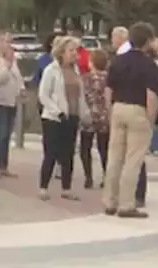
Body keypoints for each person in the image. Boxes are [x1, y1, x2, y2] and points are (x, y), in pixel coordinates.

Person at [102, 22, 158, 219]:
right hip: (138, 109)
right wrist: (150, 119)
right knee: (133, 160)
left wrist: (111, 111)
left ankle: (110, 200)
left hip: (118, 107)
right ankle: (126, 204)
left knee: (115, 157)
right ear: (148, 41)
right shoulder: (149, 65)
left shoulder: (118, 60)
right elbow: (151, 94)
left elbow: (108, 89)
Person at [37, 35, 88, 201]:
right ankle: (43, 187)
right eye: (71, 50)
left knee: (68, 153)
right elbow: (44, 95)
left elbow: (80, 95)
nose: (75, 54)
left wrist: (83, 113)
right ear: (61, 52)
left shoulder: (76, 70)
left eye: (76, 51)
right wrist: (57, 111)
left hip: (72, 116)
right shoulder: (51, 70)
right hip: (54, 118)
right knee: (51, 152)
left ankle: (66, 187)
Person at [0, 37, 22, 177]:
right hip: (0, 101)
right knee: (0, 134)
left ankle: (3, 166)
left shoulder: (13, 62)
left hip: (11, 101)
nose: (9, 46)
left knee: (7, 135)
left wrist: (21, 89)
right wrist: (7, 65)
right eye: (6, 42)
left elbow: (18, 78)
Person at [80, 49, 111, 189]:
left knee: (85, 147)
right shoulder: (109, 78)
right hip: (105, 115)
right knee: (104, 148)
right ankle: (106, 175)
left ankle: (88, 177)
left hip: (89, 114)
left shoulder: (85, 78)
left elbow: (81, 96)